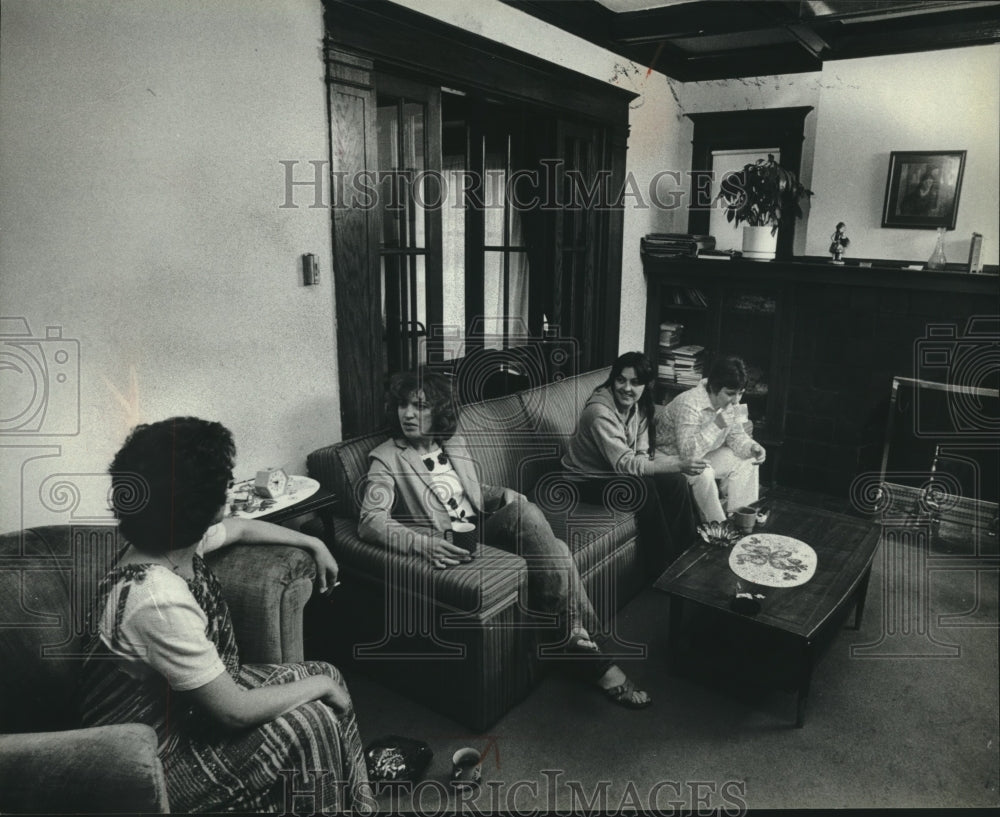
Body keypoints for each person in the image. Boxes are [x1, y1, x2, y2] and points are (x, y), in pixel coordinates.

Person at [77, 417, 374, 814]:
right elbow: (233, 711)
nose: (231, 489)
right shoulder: (156, 597)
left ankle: (360, 806)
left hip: (186, 710)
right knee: (311, 721)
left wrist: (313, 542)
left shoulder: (171, 539)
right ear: (201, 505)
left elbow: (238, 529)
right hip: (151, 762)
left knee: (327, 675)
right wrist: (317, 687)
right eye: (225, 483)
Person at [358, 369, 651, 709]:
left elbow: (471, 493)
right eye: (403, 405)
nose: (408, 414)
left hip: (481, 527)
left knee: (555, 546)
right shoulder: (386, 458)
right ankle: (591, 652)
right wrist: (423, 544)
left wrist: (504, 494)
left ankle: (584, 648)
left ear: (438, 411)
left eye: (420, 406)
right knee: (538, 529)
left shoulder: (451, 442)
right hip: (456, 542)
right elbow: (370, 521)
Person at [560, 351, 700, 569]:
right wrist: (678, 463)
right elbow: (626, 464)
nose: (627, 388)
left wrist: (672, 469)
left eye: (635, 382)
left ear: (646, 384)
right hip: (582, 481)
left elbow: (641, 453)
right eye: (621, 380)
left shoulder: (640, 406)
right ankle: (662, 567)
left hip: (612, 473)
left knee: (676, 481)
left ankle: (688, 554)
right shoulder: (599, 412)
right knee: (644, 487)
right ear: (613, 379)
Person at [655, 356, 766, 524]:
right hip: (667, 457)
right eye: (730, 394)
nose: (736, 400)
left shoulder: (731, 403)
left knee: (748, 459)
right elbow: (688, 453)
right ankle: (717, 527)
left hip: (703, 454)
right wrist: (717, 424)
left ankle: (742, 519)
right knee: (703, 471)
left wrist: (752, 447)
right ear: (714, 388)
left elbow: (736, 437)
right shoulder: (689, 403)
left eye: (740, 393)